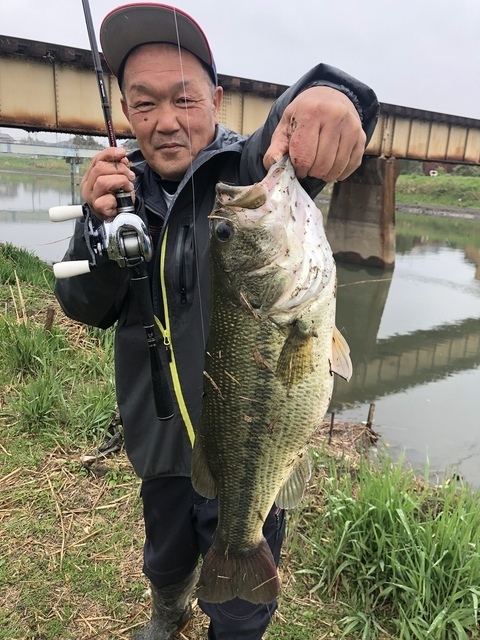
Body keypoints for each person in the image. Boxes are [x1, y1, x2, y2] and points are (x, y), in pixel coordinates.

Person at [55, 4, 379, 639]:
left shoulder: (249, 174)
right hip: (158, 440)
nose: (166, 121)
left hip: (253, 442)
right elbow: (84, 308)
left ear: (218, 100)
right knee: (167, 555)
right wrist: (96, 229)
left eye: (184, 98)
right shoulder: (118, 199)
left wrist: (333, 93)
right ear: (125, 111)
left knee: (241, 591)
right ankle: (169, 606)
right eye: (143, 104)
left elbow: (298, 127)